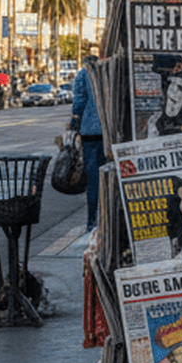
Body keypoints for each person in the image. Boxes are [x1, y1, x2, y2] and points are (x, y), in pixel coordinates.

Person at [68, 55, 104, 233]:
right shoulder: (106, 73)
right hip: (109, 133)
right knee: (109, 177)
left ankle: (92, 221)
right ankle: (107, 218)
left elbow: (79, 100)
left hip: (90, 132)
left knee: (93, 180)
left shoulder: (83, 75)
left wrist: (75, 121)